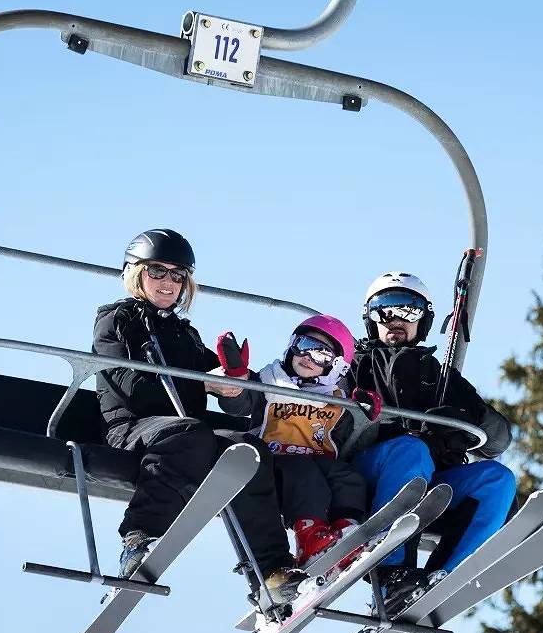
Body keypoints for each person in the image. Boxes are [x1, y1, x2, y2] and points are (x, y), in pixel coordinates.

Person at [92, 229, 308, 607]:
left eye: (178, 275)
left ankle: (270, 572)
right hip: (132, 429)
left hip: (186, 435)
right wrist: (203, 386)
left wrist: (235, 385)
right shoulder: (117, 321)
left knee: (249, 450)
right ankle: (139, 539)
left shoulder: (184, 334)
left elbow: (238, 402)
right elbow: (130, 387)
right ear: (136, 274)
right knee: (190, 434)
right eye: (157, 271)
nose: (167, 282)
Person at [349, 271, 516, 611]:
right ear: (370, 319)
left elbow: (497, 441)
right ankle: (393, 572)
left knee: (498, 479)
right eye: (384, 309)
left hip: (430, 487)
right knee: (412, 451)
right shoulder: (353, 366)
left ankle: (442, 576)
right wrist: (402, 429)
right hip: (372, 475)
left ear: (422, 320)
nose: (395, 319)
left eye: (408, 310)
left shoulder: (441, 377)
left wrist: (464, 418)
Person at [214, 315, 370, 568]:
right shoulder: (269, 383)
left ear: (337, 366)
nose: (309, 358)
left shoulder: (337, 401)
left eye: (322, 355)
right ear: (291, 346)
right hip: (274, 465)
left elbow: (350, 438)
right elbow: (238, 404)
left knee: (347, 476)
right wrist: (237, 379)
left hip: (318, 464)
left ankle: (347, 528)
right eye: (305, 346)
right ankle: (310, 536)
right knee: (302, 471)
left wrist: (365, 415)